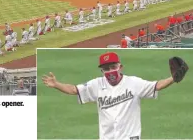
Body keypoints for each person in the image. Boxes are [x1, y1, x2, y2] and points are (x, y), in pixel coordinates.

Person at [42, 52, 184, 140]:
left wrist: (172, 78)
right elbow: (74, 90)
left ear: (120, 67)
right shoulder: (96, 84)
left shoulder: (133, 82)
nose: (110, 71)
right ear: (102, 71)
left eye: (113, 67)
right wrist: (57, 84)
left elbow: (156, 85)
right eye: (106, 69)